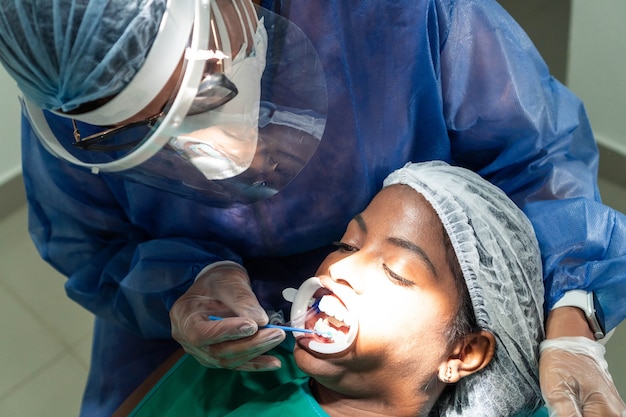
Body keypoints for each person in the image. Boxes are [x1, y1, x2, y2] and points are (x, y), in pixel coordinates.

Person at [0, 1, 624, 416]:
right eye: (346, 244)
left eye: (207, 86)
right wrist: (182, 286)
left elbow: (538, 160)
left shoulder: (401, 16)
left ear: (463, 356)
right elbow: (90, 244)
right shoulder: (71, 81)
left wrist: (572, 302)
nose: (334, 270)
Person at [123, 161, 547, 417]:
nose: (342, 266)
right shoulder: (237, 366)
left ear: (463, 353)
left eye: (396, 272)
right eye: (346, 243)